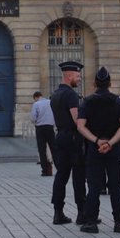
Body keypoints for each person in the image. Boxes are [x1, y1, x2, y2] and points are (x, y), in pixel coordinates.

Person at [76, 66, 120, 233]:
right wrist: (110, 143)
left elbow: (80, 126)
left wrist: (97, 141)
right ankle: (119, 221)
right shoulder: (118, 101)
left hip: (94, 149)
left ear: (94, 84)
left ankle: (91, 221)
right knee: (116, 185)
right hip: (113, 149)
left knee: (93, 186)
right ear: (110, 83)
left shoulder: (87, 102)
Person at [50, 60, 87, 225]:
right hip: (72, 138)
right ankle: (82, 213)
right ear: (69, 76)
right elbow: (76, 119)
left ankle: (58, 213)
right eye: (78, 76)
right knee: (78, 176)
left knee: (61, 176)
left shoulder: (55, 94)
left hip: (60, 137)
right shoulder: (71, 95)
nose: (79, 79)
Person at [30, 91, 55, 176]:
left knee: (42, 149)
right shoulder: (50, 102)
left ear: (36, 97)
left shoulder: (36, 104)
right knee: (54, 148)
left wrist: (35, 121)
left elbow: (33, 117)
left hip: (40, 128)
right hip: (50, 127)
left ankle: (45, 170)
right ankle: (59, 167)